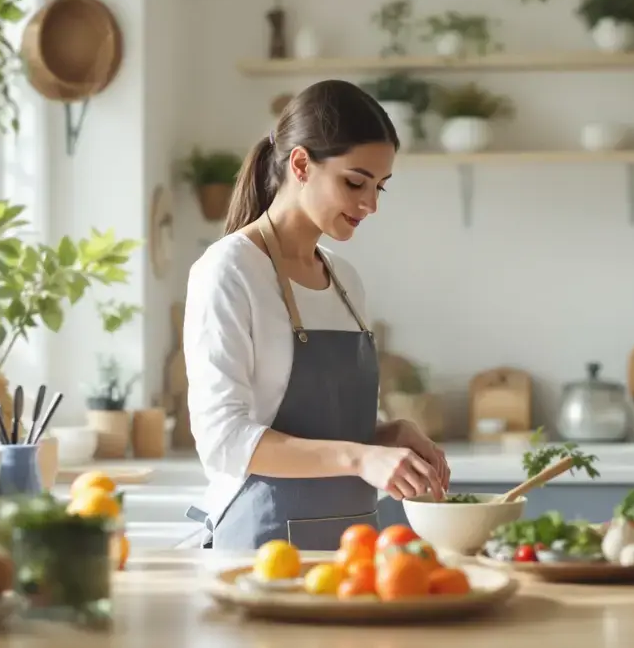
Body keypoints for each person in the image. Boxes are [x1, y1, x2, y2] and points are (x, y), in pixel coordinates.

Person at [182, 79, 450, 551]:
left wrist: (389, 434)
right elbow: (223, 440)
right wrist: (359, 458)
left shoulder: (345, 279)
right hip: (263, 556)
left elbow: (325, 431)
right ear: (301, 164)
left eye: (380, 187)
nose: (370, 205)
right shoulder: (229, 270)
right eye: (355, 182)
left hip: (352, 549)